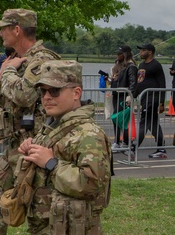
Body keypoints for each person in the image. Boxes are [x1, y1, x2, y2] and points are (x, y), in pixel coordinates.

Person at [0, 8, 60, 235]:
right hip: (17, 145)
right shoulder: (14, 60)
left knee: (39, 214)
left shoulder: (42, 60)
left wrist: (6, 73)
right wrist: (2, 74)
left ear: (16, 30)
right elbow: (3, 97)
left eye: (3, 28)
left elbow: (25, 95)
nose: (0, 33)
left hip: (37, 146)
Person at [17, 60, 111, 233]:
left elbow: (91, 184)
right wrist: (31, 149)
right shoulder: (53, 125)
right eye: (43, 91)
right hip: (47, 225)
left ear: (76, 93)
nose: (46, 97)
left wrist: (51, 163)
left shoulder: (88, 134)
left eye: (54, 90)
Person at [133, 43, 167, 158]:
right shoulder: (141, 65)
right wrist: (132, 96)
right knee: (153, 124)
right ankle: (161, 148)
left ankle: (133, 148)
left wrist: (162, 102)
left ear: (150, 52)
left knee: (144, 122)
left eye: (143, 50)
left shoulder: (156, 65)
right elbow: (139, 82)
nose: (141, 52)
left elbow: (162, 84)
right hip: (144, 98)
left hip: (153, 98)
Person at [110, 45, 137, 154]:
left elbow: (133, 83)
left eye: (120, 54)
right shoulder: (120, 66)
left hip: (124, 96)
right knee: (116, 119)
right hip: (116, 95)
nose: (118, 56)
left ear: (125, 54)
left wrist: (129, 96)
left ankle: (126, 143)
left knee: (124, 121)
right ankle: (117, 141)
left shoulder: (131, 67)